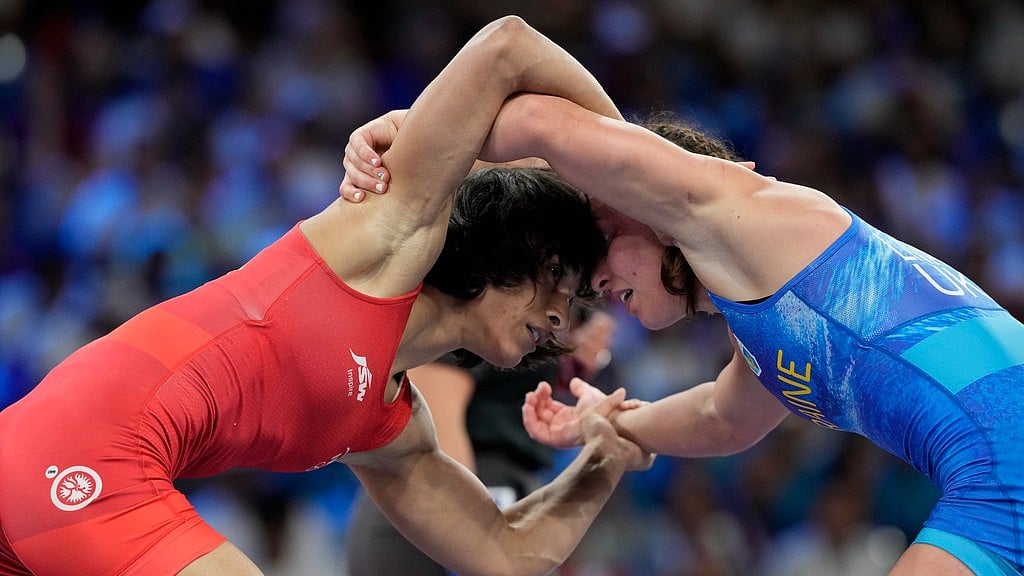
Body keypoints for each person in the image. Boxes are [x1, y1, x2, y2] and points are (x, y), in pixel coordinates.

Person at [341, 37, 1024, 576]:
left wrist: (414, 143)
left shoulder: (736, 213)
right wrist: (606, 423)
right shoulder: (763, 322)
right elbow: (720, 420)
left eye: (601, 246)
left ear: (643, 207)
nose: (597, 284)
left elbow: (540, 120)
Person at [0, 17, 654, 576]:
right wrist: (645, 184)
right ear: (512, 247)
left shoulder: (388, 428)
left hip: (42, 476)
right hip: (79, 462)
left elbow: (503, 554)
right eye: (559, 286)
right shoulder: (382, 241)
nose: (558, 318)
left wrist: (606, 455)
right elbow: (508, 45)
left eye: (572, 311)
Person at [346, 309, 617, 576]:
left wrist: (561, 362)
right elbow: (435, 419)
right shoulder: (472, 296)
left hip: (468, 493)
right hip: (444, 502)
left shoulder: (512, 311)